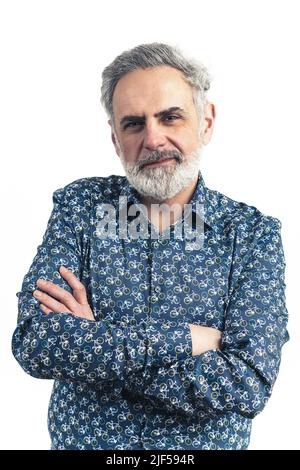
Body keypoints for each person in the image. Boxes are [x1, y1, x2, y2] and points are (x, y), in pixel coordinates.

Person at [11, 42, 289, 450]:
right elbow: (36, 340)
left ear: (206, 122)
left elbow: (247, 383)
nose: (153, 139)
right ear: (114, 138)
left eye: (170, 117)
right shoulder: (80, 207)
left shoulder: (252, 235)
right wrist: (187, 340)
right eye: (133, 123)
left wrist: (96, 343)